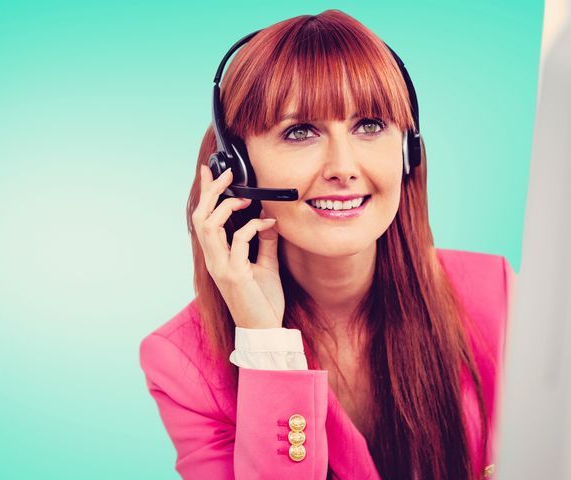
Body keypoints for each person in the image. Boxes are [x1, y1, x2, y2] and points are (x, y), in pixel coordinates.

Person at [139, 9, 515, 480]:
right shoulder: (184, 365)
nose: (344, 166)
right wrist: (265, 343)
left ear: (407, 148)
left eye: (370, 125)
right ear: (237, 168)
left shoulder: (496, 296)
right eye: (300, 132)